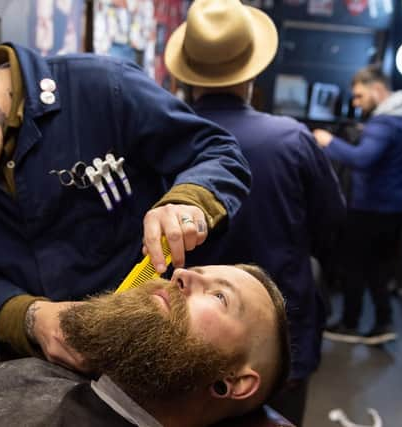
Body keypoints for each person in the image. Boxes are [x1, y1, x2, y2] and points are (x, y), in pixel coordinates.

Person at [0, 34, 251, 368]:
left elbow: (217, 153)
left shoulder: (102, 87)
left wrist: (188, 201)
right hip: (41, 370)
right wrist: (32, 319)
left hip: (151, 349)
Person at [164, 1, 345, 425]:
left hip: (182, 334)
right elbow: (332, 224)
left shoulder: (162, 140)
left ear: (186, 75)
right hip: (278, 338)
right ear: (250, 73)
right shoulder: (292, 139)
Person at [0, 264, 292, 427]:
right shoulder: (49, 383)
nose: (182, 274)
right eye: (199, 271)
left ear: (233, 382)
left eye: (218, 295)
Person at [312, 65, 402, 344]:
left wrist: (329, 141)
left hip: (370, 208)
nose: (356, 102)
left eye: (360, 96)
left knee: (354, 265)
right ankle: (383, 321)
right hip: (395, 209)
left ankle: (350, 323)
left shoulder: (384, 123)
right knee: (378, 268)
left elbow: (362, 159)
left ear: (377, 89)